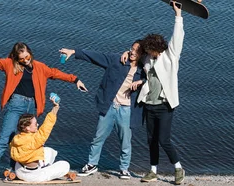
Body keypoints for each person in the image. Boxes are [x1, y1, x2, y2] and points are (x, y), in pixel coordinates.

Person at [0, 42, 87, 182]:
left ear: (30, 52)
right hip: (16, 104)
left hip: (32, 105)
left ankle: (15, 168)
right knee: (6, 137)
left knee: (27, 139)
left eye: (27, 57)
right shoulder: (10, 64)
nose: (25, 60)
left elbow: (55, 73)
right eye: (22, 59)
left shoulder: (39, 67)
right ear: (16, 58)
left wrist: (75, 80)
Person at [58, 40, 146, 179]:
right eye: (132, 48)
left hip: (127, 109)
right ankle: (92, 164)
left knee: (125, 141)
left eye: (137, 51)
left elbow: (156, 78)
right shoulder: (117, 60)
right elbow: (96, 56)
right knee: (98, 137)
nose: (132, 52)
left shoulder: (144, 70)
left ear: (143, 54)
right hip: (110, 105)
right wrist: (74, 51)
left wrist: (141, 81)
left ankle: (124, 169)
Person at [136, 1, 185, 185]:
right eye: (147, 51)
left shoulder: (171, 56)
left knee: (164, 139)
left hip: (165, 106)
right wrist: (128, 52)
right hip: (149, 105)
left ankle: (178, 168)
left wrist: (178, 15)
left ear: (157, 48)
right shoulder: (148, 58)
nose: (149, 53)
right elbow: (136, 50)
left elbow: (177, 37)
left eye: (150, 50)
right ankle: (153, 171)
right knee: (151, 140)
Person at [10, 95, 70, 182]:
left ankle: (42, 166)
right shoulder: (35, 139)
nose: (37, 125)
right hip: (33, 176)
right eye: (35, 124)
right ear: (27, 128)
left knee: (48, 150)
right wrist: (56, 107)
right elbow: (47, 126)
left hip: (19, 170)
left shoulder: (16, 138)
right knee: (65, 165)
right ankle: (44, 168)